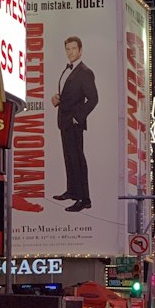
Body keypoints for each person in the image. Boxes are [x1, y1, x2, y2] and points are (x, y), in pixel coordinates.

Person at [51, 36, 99, 212]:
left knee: (77, 159)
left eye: (73, 49)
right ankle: (72, 191)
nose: (70, 52)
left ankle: (84, 199)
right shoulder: (67, 69)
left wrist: (77, 117)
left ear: (80, 50)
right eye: (67, 49)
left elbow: (93, 99)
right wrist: (57, 99)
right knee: (69, 158)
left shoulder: (85, 72)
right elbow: (72, 95)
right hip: (64, 121)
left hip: (73, 123)